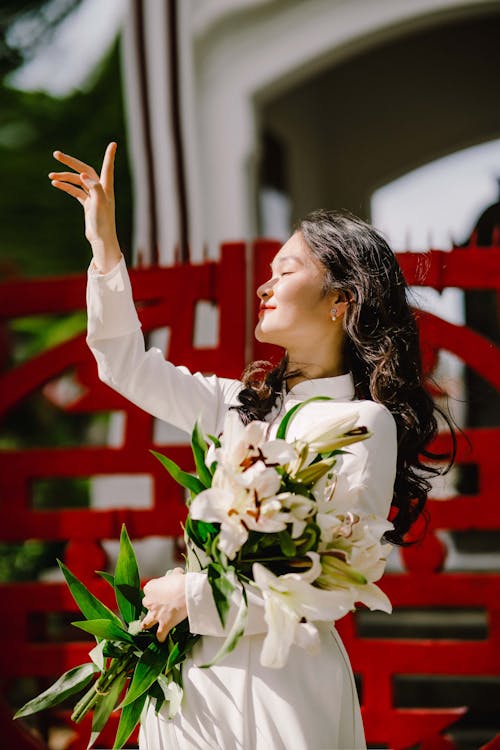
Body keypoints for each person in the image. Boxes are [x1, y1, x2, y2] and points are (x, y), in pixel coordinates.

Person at [49, 143, 448, 750]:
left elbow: (335, 586)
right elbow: (124, 365)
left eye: (287, 271)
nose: (266, 283)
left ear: (343, 299)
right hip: (196, 687)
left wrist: (192, 594)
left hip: (282, 689)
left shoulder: (362, 422)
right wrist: (106, 249)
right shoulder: (234, 405)